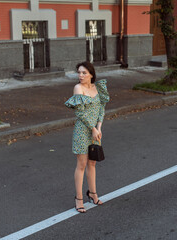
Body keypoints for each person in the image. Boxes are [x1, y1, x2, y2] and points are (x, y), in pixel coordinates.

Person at [65, 61, 109, 213]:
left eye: (84, 73)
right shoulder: (78, 88)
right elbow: (80, 113)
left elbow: (101, 109)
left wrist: (98, 127)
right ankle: (79, 199)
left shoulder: (98, 88)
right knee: (82, 164)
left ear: (91, 74)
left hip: (95, 131)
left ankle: (93, 193)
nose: (80, 75)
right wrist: (92, 128)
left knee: (92, 163)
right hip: (82, 131)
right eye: (79, 72)